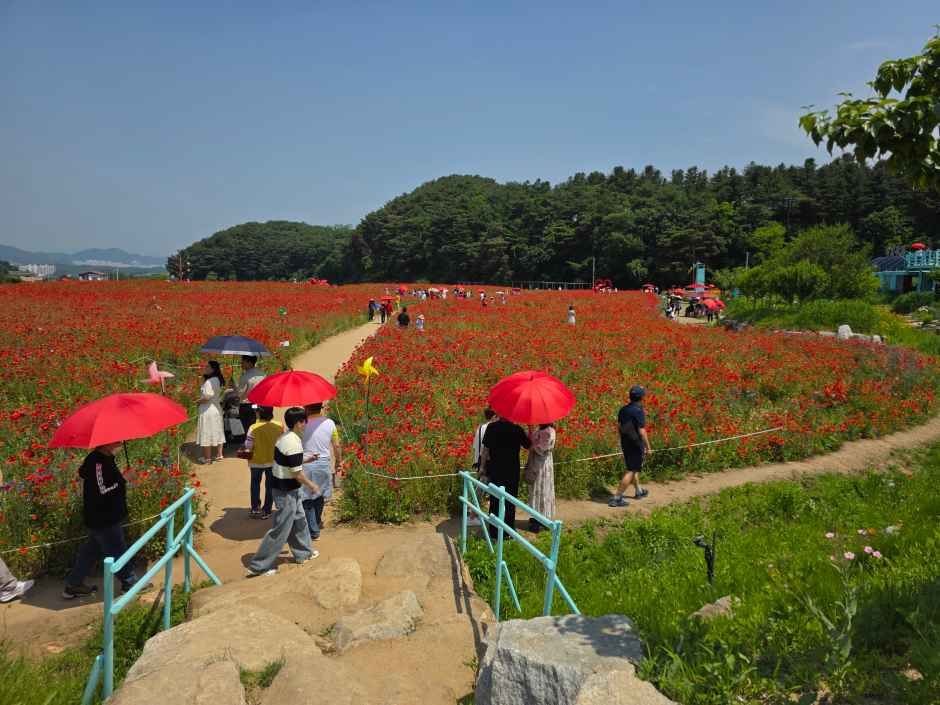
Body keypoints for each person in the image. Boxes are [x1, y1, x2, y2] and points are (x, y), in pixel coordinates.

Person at [63, 443, 149, 598]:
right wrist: (124, 479)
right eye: (116, 438)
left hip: (104, 515)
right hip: (104, 517)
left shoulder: (107, 458)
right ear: (105, 442)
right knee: (118, 549)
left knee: (90, 551)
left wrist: (122, 478)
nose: (120, 440)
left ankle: (73, 585)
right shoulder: (97, 462)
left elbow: (108, 483)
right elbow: (102, 491)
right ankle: (129, 583)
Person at [247, 407, 320, 576]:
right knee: (281, 528)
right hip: (285, 490)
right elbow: (297, 473)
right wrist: (312, 485)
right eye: (304, 421)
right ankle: (260, 566)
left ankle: (304, 553)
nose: (305, 425)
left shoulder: (286, 437)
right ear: (297, 423)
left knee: (299, 520)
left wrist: (306, 459)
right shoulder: (293, 442)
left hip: (288, 488)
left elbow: (289, 460)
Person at [481, 416, 531, 538]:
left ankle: (493, 531)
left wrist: (482, 467)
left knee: (495, 500)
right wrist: (530, 429)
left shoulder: (491, 427)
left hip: (495, 469)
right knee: (510, 500)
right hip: (511, 470)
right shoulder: (517, 429)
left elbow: (485, 450)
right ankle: (507, 531)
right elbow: (528, 445)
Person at [300, 403, 342, 540]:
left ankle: (313, 529)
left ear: (306, 408)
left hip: (305, 463)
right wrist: (338, 461)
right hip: (324, 463)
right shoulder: (330, 423)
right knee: (319, 494)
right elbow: (336, 445)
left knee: (306, 497)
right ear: (321, 407)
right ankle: (316, 521)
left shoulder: (301, 423)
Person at [609, 385, 652, 508]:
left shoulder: (623, 409)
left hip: (625, 442)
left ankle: (638, 491)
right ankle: (617, 498)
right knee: (631, 470)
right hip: (635, 443)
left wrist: (621, 440)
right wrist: (648, 447)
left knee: (633, 467)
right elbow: (642, 431)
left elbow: (620, 427)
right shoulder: (638, 411)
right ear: (642, 397)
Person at [244, 406, 281, 519]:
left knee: (255, 484)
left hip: (256, 460)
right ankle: (267, 510)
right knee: (270, 486)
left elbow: (248, 446)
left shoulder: (253, 427)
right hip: (273, 461)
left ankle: (255, 508)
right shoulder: (279, 426)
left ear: (259, 413)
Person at [525, 423, 556, 531]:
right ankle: (537, 516)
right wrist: (530, 429)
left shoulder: (549, 431)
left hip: (542, 466)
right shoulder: (540, 429)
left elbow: (542, 449)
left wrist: (532, 446)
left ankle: (542, 519)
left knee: (542, 491)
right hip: (536, 463)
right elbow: (532, 441)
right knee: (536, 490)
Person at [469, 408, 496, 527]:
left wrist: (478, 463)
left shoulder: (480, 428)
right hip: (488, 464)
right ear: (494, 416)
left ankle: (473, 514)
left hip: (480, 462)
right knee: (481, 490)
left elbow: (476, 447)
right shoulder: (492, 428)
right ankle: (473, 516)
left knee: (479, 489)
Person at [196, 360, 226, 463]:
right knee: (217, 430)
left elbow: (207, 397)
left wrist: (198, 401)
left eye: (207, 367)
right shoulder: (217, 380)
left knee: (207, 432)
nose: (205, 368)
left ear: (213, 369)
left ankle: (207, 458)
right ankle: (219, 454)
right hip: (216, 408)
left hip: (207, 409)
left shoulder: (209, 382)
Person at [235, 356, 266, 440]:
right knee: (258, 423)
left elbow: (240, 394)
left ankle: (250, 445)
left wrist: (234, 387)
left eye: (243, 362)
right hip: (258, 404)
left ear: (249, 362)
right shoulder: (262, 374)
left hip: (247, 406)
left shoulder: (245, 377)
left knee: (248, 427)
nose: (241, 364)